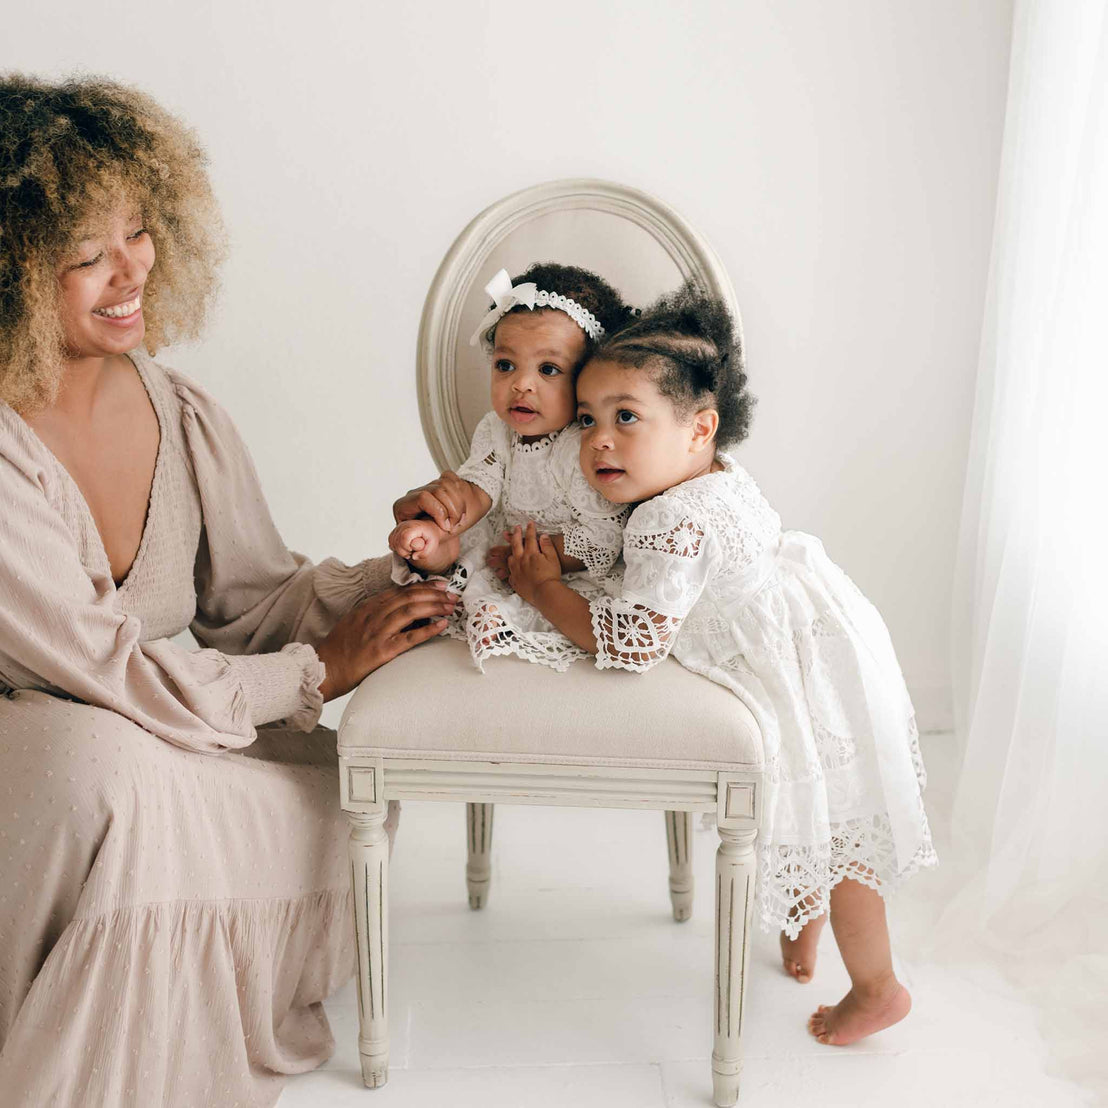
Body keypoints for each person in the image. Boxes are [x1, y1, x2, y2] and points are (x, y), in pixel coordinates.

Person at [0, 74, 456, 1107]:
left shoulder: (177, 405)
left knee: (347, 781)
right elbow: (104, 672)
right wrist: (318, 669)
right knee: (98, 763)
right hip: (49, 751)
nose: (130, 274)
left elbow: (252, 600)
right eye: (87, 254)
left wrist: (397, 581)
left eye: (139, 233)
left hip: (162, 727)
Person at [504, 281, 937, 1046]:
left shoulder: (673, 519)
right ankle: (803, 929)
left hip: (790, 670)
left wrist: (543, 589)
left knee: (835, 837)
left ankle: (877, 988)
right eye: (590, 419)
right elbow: (629, 548)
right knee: (816, 816)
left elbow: (632, 640)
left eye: (625, 418)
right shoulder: (711, 478)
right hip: (820, 638)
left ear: (700, 428)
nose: (598, 440)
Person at [389, 263, 631, 671]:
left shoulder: (583, 446)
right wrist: (453, 504)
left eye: (548, 370)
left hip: (560, 573)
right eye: (505, 365)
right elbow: (482, 483)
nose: (521, 384)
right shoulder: (495, 428)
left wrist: (540, 559)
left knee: (502, 600)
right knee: (456, 537)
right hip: (502, 547)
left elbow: (605, 536)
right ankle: (431, 543)